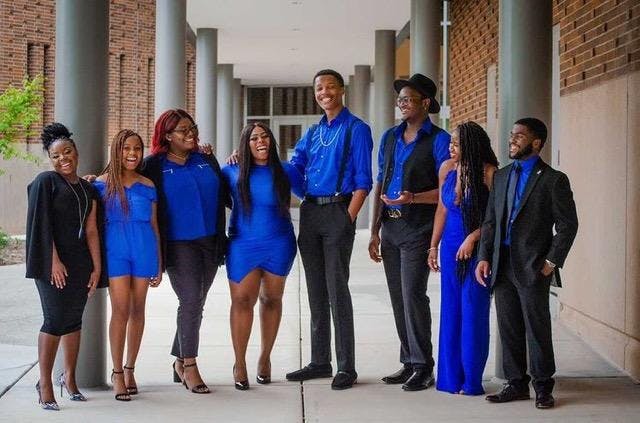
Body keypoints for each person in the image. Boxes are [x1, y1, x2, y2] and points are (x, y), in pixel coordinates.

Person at [475, 117, 578, 409]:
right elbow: (491, 222)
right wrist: (484, 257)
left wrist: (551, 262)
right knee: (508, 325)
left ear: (536, 142)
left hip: (533, 265)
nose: (512, 140)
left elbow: (568, 225)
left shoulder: (553, 179)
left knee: (537, 327)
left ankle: (543, 386)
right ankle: (515, 383)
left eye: (519, 136)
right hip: (501, 263)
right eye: (511, 134)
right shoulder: (503, 176)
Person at [285, 69, 373, 390]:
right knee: (315, 292)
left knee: (337, 291)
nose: (324, 92)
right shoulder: (312, 132)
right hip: (310, 212)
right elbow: (295, 168)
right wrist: (259, 161)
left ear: (342, 90)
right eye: (319, 88)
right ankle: (320, 361)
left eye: (330, 87)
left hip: (338, 210)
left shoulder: (357, 129)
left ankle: (346, 367)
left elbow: (364, 180)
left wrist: (347, 218)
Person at [368, 73, 450, 391]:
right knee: (398, 297)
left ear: (425, 103)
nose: (401, 104)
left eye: (407, 99)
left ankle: (423, 365)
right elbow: (381, 181)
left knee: (413, 295)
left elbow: (447, 188)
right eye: (399, 99)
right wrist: (375, 230)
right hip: (391, 226)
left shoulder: (438, 140)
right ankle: (409, 361)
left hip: (419, 226)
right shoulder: (390, 137)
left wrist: (413, 197)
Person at [140, 109, 229, 394]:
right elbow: (123, 176)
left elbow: (226, 195)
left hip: (210, 241)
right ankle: (189, 364)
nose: (190, 133)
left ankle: (179, 360)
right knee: (190, 300)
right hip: (178, 245)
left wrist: (238, 161)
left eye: (192, 128)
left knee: (196, 302)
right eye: (182, 130)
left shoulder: (206, 159)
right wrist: (96, 181)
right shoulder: (153, 165)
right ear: (167, 136)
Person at [25, 123, 103, 410]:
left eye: (67, 152)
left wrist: (96, 268)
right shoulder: (46, 182)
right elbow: (42, 224)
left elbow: (92, 230)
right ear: (50, 159)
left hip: (81, 263)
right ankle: (44, 383)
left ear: (76, 152)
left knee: (73, 321)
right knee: (54, 321)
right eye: (56, 156)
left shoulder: (87, 189)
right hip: (52, 264)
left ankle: (70, 379)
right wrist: (53, 261)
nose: (62, 159)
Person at [221, 123, 304, 390]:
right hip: (243, 244)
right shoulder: (231, 171)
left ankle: (265, 359)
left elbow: (311, 195)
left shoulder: (286, 170)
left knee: (271, 299)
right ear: (245, 143)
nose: (261, 141)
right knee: (242, 301)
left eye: (265, 136)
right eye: (254, 138)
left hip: (278, 242)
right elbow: (212, 197)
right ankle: (239, 363)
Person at [427, 122, 498, 395]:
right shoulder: (447, 169)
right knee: (451, 312)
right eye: (450, 143)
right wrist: (433, 246)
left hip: (476, 251)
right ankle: (449, 379)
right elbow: (442, 213)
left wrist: (474, 237)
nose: (451, 148)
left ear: (470, 144)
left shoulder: (489, 174)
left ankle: (471, 381)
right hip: (449, 247)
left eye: (456, 143)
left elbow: (497, 219)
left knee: (473, 313)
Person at [94, 129, 162, 401]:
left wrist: (158, 262)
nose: (132, 154)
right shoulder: (100, 185)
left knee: (138, 310)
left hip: (144, 249)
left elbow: (155, 226)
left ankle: (131, 367)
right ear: (117, 151)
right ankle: (117, 372)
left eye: (137, 148)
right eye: (126, 149)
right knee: (120, 310)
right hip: (116, 251)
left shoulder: (148, 185)